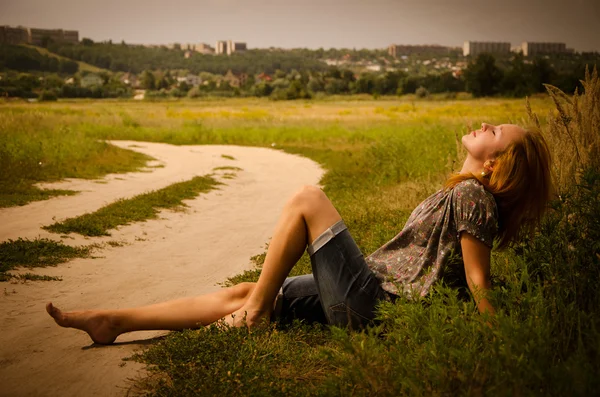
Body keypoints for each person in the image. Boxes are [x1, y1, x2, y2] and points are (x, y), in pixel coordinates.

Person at [46, 122, 552, 344]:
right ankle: (114, 321)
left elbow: (476, 279)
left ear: (496, 164)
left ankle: (258, 314)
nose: (485, 125)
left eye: (496, 132)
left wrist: (499, 339)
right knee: (245, 290)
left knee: (308, 198)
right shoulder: (465, 193)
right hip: (370, 295)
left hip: (376, 303)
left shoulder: (473, 197)